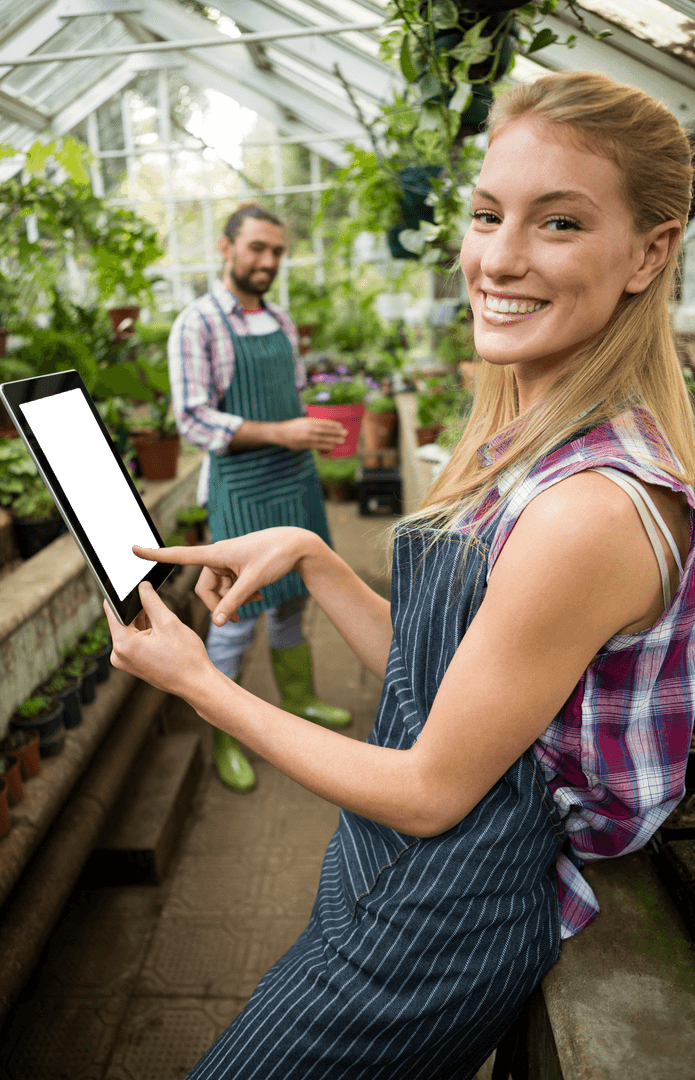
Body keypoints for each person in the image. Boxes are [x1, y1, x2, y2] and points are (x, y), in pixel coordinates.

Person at [106, 70, 695, 1079]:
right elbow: (452, 691)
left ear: (650, 252)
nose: (498, 258)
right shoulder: (530, 438)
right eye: (484, 214)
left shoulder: (586, 510)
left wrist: (200, 685)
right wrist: (315, 556)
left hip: (439, 913)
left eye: (558, 223)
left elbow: (429, 787)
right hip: (390, 871)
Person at [168, 202, 351, 793]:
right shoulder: (197, 324)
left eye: (277, 251)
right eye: (256, 249)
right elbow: (193, 421)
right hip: (242, 488)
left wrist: (305, 430)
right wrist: (282, 432)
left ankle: (300, 701)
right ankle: (229, 733)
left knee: (296, 596)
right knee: (236, 612)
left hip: (294, 481)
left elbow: (287, 399)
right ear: (226, 248)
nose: (268, 261)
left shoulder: (281, 320)